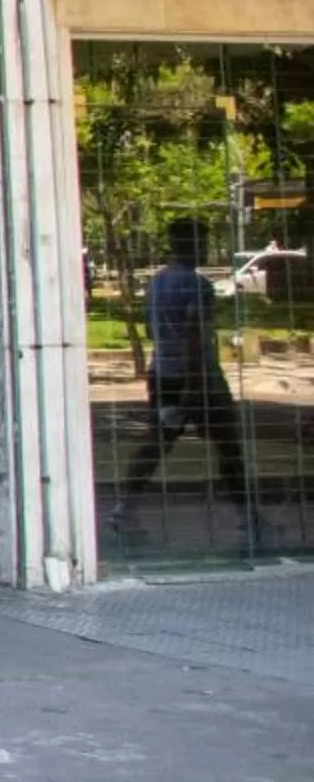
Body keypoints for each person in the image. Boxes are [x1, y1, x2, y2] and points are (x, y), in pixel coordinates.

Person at [115, 219, 261, 544]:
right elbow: (197, 337)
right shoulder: (198, 286)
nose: (206, 249)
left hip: (162, 372)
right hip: (200, 377)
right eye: (202, 242)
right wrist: (197, 385)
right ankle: (247, 517)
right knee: (229, 446)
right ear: (192, 245)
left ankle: (125, 508)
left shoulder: (157, 284)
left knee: (156, 443)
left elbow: (151, 330)